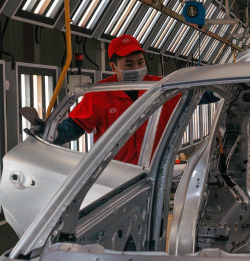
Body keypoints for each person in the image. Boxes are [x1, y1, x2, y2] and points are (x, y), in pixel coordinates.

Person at [49, 34, 180, 165]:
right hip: (114, 172)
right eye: (129, 64)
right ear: (113, 67)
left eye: (140, 62)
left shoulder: (162, 87)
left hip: (158, 170)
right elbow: (76, 125)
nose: (136, 68)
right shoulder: (101, 92)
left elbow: (196, 94)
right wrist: (53, 133)